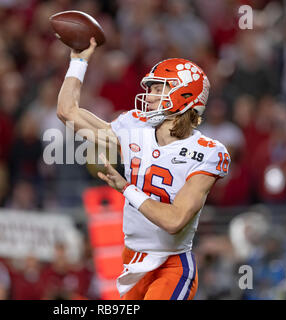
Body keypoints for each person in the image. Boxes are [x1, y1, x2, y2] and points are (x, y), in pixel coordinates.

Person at [56, 38, 230, 300]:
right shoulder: (134, 127)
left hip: (171, 265)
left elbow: (174, 221)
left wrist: (126, 188)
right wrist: (78, 61)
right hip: (133, 261)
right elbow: (67, 112)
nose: (148, 96)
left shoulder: (208, 151)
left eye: (157, 89)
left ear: (184, 94)